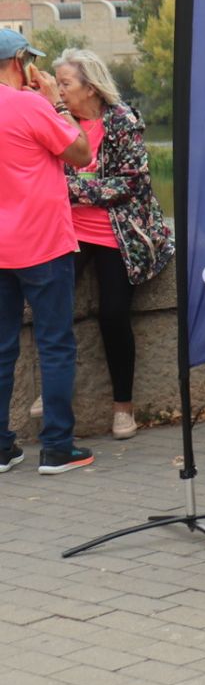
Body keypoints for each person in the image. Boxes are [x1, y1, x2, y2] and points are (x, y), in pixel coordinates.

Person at [52, 48, 173, 440]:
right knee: (52, 306)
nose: (59, 90)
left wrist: (73, 188)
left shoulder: (121, 120)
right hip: (69, 230)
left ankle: (123, 407)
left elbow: (132, 182)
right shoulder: (57, 120)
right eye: (57, 83)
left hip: (118, 231)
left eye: (65, 83)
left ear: (90, 87)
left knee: (114, 314)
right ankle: (52, 388)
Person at [0, 28, 93, 475]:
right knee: (55, 344)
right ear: (19, 61)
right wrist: (56, 102)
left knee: (2, 349)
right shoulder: (30, 105)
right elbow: (81, 153)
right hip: (42, 243)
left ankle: (2, 447)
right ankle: (57, 447)